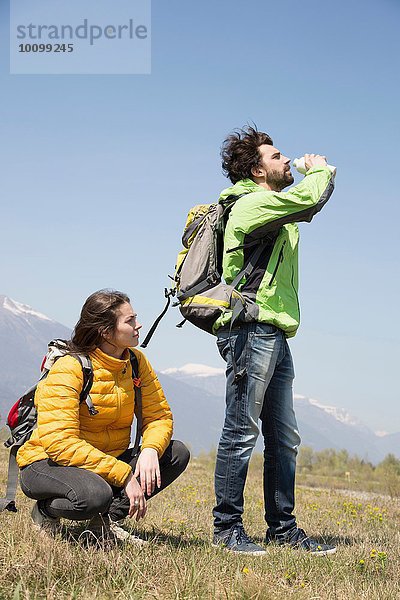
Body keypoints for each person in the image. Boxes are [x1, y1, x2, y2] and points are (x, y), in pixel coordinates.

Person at [212, 126, 336, 555]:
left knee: (284, 438)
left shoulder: (270, 203)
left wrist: (306, 177)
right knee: (241, 429)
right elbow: (308, 200)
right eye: (277, 156)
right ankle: (227, 529)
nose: (286, 160)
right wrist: (319, 170)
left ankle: (282, 529)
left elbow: (300, 204)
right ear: (257, 170)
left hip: (275, 330)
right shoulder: (250, 204)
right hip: (250, 328)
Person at [17, 289, 190, 546]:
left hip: (102, 461)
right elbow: (59, 443)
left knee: (176, 453)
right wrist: (124, 475)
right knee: (94, 495)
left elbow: (158, 416)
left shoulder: (136, 362)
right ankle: (46, 512)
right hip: (47, 462)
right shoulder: (71, 367)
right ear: (106, 332)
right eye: (129, 320)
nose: (138, 325)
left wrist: (151, 449)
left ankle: (104, 523)